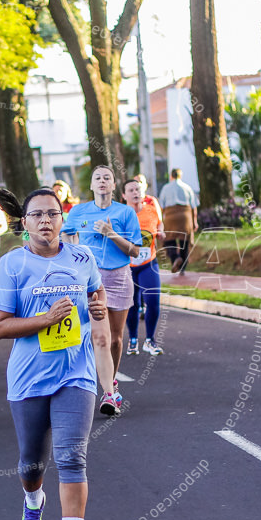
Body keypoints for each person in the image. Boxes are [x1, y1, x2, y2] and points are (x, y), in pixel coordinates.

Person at [0, 187, 107, 520]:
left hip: (77, 372)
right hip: (29, 377)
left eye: (52, 214)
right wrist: (46, 320)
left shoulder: (82, 256)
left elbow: (96, 289)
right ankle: (32, 498)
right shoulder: (12, 265)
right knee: (32, 462)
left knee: (72, 456)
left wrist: (98, 305)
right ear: (25, 223)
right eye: (37, 215)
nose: (45, 221)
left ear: (62, 218)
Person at [66, 166, 141, 415]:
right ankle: (107, 391)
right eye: (97, 178)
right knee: (98, 337)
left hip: (118, 277)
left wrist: (111, 234)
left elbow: (135, 251)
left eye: (106, 178)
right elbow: (65, 239)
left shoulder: (125, 212)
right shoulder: (78, 212)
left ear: (113, 185)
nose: (102, 181)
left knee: (116, 339)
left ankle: (112, 380)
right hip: (89, 281)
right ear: (91, 185)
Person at [123, 177, 165, 356]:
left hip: (149, 263)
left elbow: (159, 223)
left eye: (138, 189)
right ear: (124, 195)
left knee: (153, 302)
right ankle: (133, 340)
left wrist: (161, 231)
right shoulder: (121, 214)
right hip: (127, 266)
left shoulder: (151, 209)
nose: (135, 193)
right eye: (131, 190)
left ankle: (150, 340)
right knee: (132, 305)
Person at [159, 168, 198, 274]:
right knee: (184, 242)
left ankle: (175, 258)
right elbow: (194, 206)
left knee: (168, 240)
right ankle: (183, 268)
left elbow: (161, 206)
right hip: (185, 216)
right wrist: (195, 221)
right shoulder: (187, 187)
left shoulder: (166, 188)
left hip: (170, 216)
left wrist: (161, 220)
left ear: (171, 176)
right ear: (180, 176)